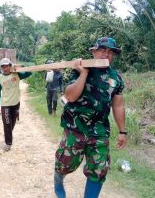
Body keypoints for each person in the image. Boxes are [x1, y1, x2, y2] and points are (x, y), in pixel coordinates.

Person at [54, 37, 127, 198]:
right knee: (64, 165)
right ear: (93, 52)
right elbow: (70, 96)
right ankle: (58, 185)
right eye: (101, 50)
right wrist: (84, 73)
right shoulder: (78, 69)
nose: (105, 54)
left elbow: (118, 105)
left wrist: (123, 131)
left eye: (110, 52)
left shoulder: (116, 78)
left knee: (99, 170)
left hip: (99, 131)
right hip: (75, 128)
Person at [0, 58, 32, 152]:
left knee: (12, 123)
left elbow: (29, 73)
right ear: (1, 68)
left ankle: (8, 135)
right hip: (5, 104)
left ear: (10, 65)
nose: (5, 68)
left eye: (6, 66)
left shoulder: (17, 74)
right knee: (7, 123)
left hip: (16, 103)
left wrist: (21, 67)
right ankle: (8, 143)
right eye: (3, 66)